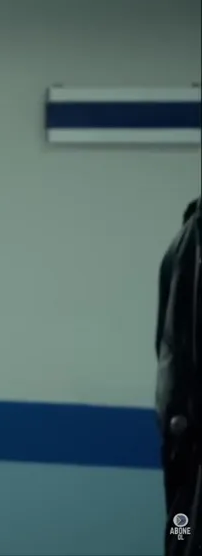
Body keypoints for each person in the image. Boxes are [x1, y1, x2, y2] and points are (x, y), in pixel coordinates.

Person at [156, 196, 199, 556]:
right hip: (187, 422)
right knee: (183, 521)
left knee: (181, 519)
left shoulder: (181, 247)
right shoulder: (191, 246)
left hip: (181, 423)